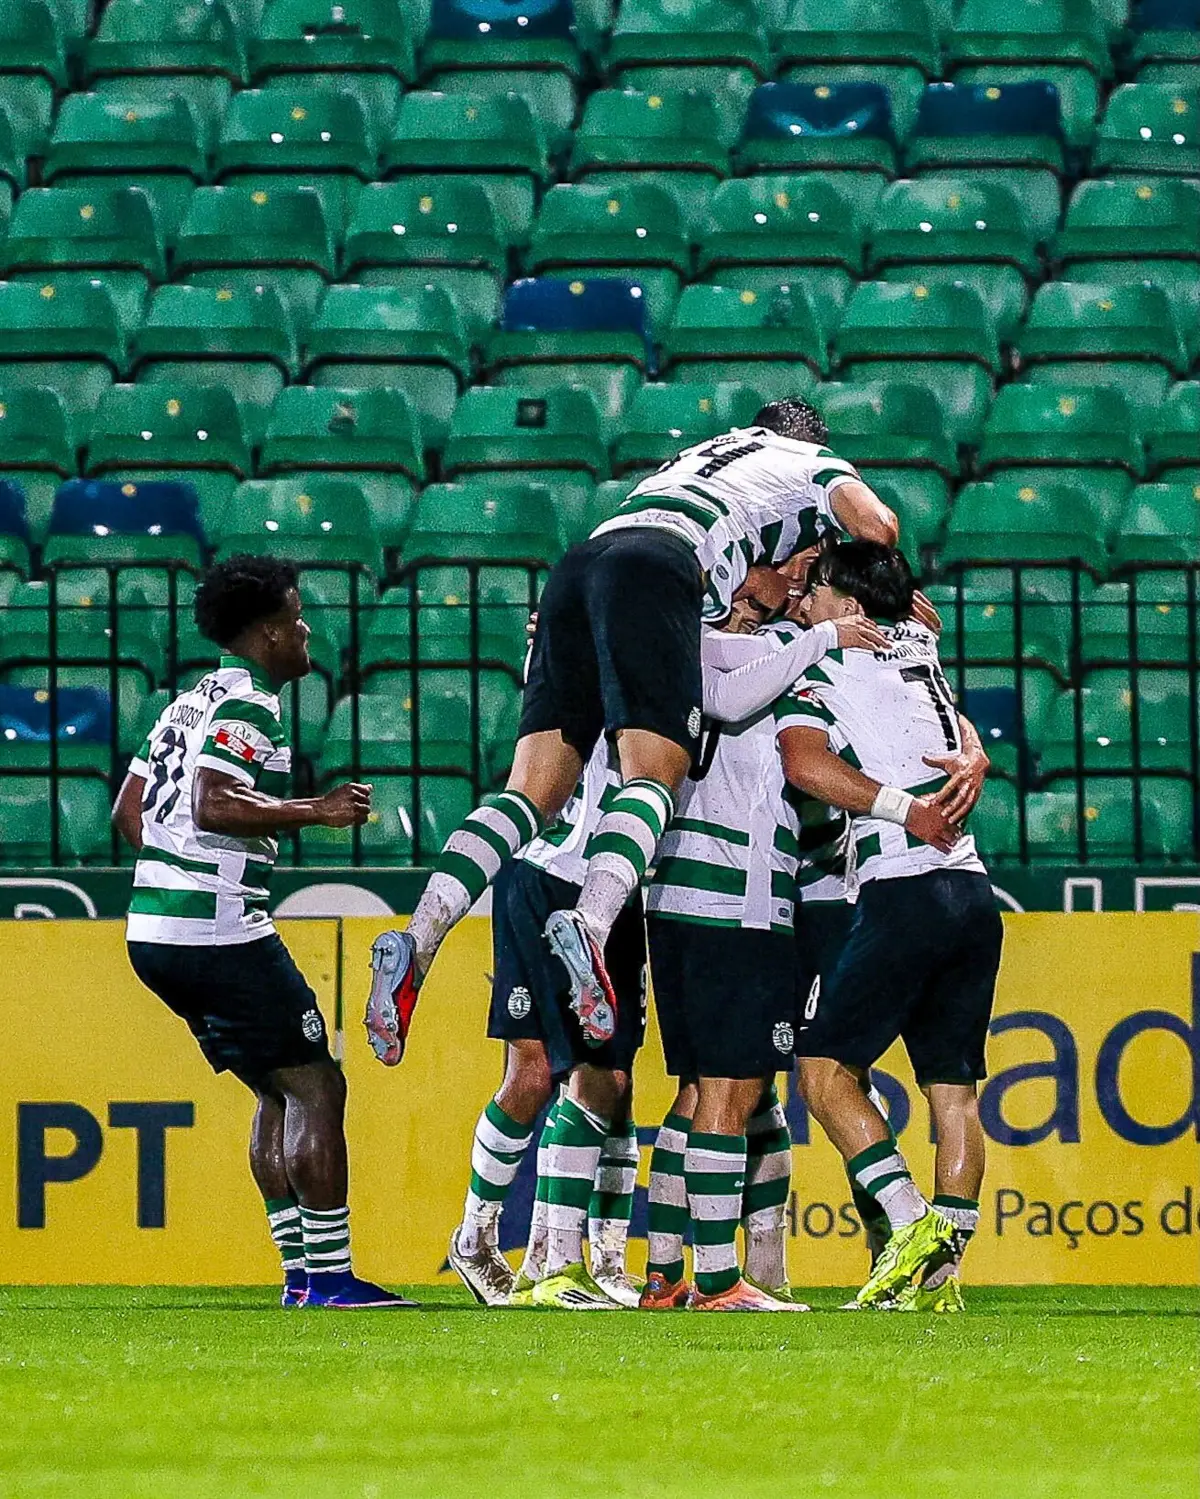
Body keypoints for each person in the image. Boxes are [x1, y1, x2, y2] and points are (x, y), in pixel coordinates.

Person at [364, 398, 900, 1068]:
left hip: (582, 564)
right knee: (653, 776)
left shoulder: (697, 457)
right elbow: (880, 525)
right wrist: (866, 583)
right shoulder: (806, 459)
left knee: (530, 795)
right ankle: (590, 925)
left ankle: (418, 937)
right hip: (658, 570)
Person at [112, 555, 410, 1310]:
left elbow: (128, 816)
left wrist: (183, 866)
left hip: (153, 929)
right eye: (298, 614)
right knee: (318, 1083)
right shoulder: (252, 704)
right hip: (217, 931)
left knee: (275, 1091)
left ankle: (299, 1275)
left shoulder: (185, 701)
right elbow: (214, 804)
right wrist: (318, 809)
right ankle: (332, 1280)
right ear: (271, 631)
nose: (308, 627)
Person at [638, 566, 889, 1312]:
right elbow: (817, 770)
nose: (799, 580)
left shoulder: (685, 652)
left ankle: (665, 1270)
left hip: (672, 890)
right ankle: (720, 1281)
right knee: (736, 1088)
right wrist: (856, 638)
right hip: (738, 902)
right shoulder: (791, 654)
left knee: (693, 1093)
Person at [775, 540, 1003, 1311]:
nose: (803, 600)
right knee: (954, 1093)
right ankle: (938, 1282)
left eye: (815, 590)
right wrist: (974, 749)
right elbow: (924, 659)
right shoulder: (921, 635)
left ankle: (909, 1226)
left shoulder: (817, 662)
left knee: (823, 1072)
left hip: (904, 887)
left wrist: (903, 808)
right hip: (973, 892)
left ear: (845, 604)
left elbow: (804, 766)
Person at [444, 733, 647, 1312]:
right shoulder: (614, 660)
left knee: (613, 1082)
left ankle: (600, 1262)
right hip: (547, 875)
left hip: (611, 888)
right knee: (550, 1077)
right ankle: (524, 1253)